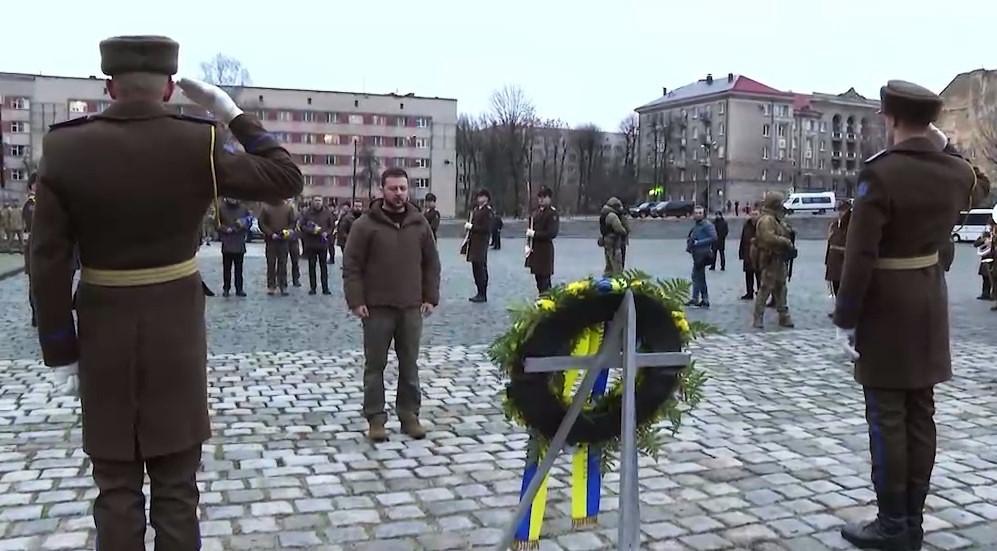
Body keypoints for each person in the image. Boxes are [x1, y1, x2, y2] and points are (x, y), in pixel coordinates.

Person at [29, 36, 302, 551]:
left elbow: (46, 259)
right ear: (170, 87)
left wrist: (60, 349)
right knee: (177, 488)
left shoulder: (65, 146)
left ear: (108, 85)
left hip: (103, 336)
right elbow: (285, 177)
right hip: (174, 336)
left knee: (115, 487)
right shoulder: (194, 141)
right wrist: (231, 114)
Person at [833, 81, 988, 551]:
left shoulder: (880, 174)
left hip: (886, 306)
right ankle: (913, 520)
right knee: (921, 412)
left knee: (886, 415)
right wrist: (942, 142)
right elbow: (978, 182)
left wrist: (846, 317)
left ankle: (892, 522)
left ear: (890, 117)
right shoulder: (955, 173)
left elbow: (860, 255)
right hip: (929, 298)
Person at [343, 167, 440, 442]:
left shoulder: (419, 223)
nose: (399, 194)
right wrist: (356, 300)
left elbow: (431, 263)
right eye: (393, 189)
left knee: (410, 363)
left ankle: (409, 415)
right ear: (382, 191)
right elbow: (351, 265)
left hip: (411, 307)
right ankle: (375, 418)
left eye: (403, 188)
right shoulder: (365, 225)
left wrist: (430, 296)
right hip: (376, 308)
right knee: (375, 365)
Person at [751, 192, 796, 329]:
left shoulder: (776, 219)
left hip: (779, 259)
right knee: (765, 289)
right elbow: (767, 237)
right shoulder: (766, 220)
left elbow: (784, 231)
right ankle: (758, 317)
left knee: (781, 288)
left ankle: (784, 316)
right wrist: (785, 241)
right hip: (770, 258)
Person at [260, 199, 297, 296]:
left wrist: (286, 232)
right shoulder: (266, 207)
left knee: (283, 264)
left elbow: (292, 223)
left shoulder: (288, 208)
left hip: (283, 240)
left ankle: (283, 285)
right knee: (271, 264)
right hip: (271, 240)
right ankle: (271, 286)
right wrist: (270, 233)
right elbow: (262, 223)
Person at [299, 196, 335, 295]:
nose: (318, 203)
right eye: (316, 200)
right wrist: (311, 230)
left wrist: (326, 233)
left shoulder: (327, 213)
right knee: (312, 266)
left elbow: (331, 226)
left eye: (319, 201)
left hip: (323, 244)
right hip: (311, 243)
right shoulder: (307, 213)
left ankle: (325, 288)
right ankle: (313, 288)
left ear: (322, 202)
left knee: (323, 267)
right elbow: (301, 226)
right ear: (312, 202)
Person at [526, 186, 559, 294]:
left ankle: (547, 300)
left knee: (545, 279)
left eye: (544, 197)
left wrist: (535, 234)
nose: (541, 199)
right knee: (538, 278)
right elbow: (531, 228)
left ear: (549, 198)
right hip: (536, 250)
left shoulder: (552, 213)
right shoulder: (536, 213)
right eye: (539, 197)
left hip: (545, 251)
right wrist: (528, 244)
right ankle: (542, 298)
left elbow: (551, 233)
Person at [217, 197, 251, 297]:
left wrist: (241, 226)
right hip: (227, 242)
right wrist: (225, 229)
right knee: (227, 268)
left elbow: (248, 222)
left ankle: (239, 288)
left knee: (239, 268)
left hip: (239, 241)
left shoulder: (243, 208)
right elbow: (216, 223)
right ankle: (226, 288)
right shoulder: (221, 208)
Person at [465, 189, 493, 302]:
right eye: (478, 197)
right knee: (475, 268)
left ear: (486, 198)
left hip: (481, 243)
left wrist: (472, 227)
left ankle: (483, 293)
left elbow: (487, 228)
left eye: (481, 197)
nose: (479, 199)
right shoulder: (476, 210)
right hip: (474, 243)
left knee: (481, 268)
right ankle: (478, 291)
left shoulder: (488, 211)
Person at [686, 206, 717, 308]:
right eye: (696, 213)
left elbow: (713, 237)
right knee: (699, 277)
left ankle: (698, 298)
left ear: (704, 214)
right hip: (696, 254)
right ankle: (702, 298)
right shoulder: (697, 225)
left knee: (697, 276)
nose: (698, 215)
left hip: (703, 254)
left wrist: (698, 242)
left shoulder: (707, 225)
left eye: (700, 213)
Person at [825, 200, 852, 306]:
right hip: (833, 260)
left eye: (843, 210)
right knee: (836, 285)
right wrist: (827, 260)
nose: (841, 213)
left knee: (845, 286)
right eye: (839, 210)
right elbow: (830, 242)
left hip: (844, 260)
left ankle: (846, 308)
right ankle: (839, 307)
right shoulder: (835, 224)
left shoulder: (851, 224)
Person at [600, 197, 630, 276]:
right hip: (614, 242)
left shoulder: (605, 213)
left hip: (607, 241)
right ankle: (617, 281)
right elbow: (619, 228)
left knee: (609, 264)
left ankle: (606, 281)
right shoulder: (612, 216)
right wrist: (625, 231)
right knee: (617, 264)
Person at [23, 175, 37, 326]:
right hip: (32, 248)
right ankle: (35, 314)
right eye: (35, 184)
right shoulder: (30, 204)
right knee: (33, 283)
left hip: (42, 250)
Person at [739, 206, 760, 300]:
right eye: (753, 214)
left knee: (759, 276)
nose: (754, 216)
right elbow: (743, 240)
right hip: (747, 254)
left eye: (756, 214)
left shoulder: (762, 226)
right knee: (748, 274)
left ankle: (760, 293)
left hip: (759, 255)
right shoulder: (746, 225)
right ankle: (749, 292)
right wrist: (741, 253)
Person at [973, 221, 995, 301]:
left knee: (993, 279)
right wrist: (983, 241)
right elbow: (975, 244)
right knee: (985, 278)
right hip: (985, 259)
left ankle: (993, 295)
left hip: (994, 259)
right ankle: (985, 293)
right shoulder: (985, 234)